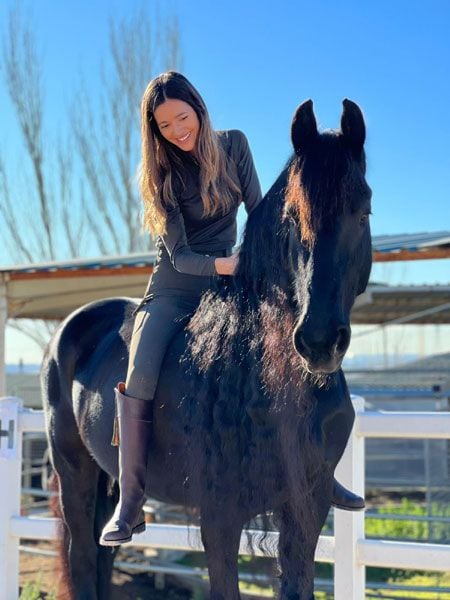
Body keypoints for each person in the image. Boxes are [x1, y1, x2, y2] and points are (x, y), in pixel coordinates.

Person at [99, 71, 363, 547]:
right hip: (175, 289)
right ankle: (131, 499)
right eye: (164, 125)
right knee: (139, 375)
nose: (177, 130)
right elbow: (178, 256)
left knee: (298, 342)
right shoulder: (159, 176)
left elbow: (260, 212)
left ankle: (321, 468)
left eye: (183, 117)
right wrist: (226, 263)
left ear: (198, 109)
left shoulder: (235, 146)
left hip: (232, 281)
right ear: (154, 131)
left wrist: (268, 260)